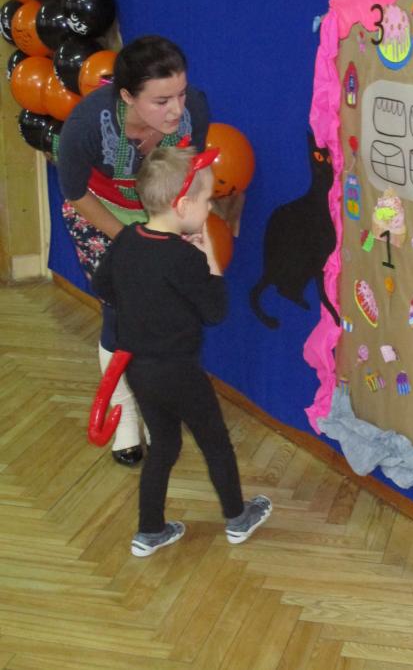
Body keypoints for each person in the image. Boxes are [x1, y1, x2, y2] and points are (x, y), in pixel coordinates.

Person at [92, 145, 272, 555]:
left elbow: (103, 287)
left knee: (165, 446)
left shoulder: (126, 240)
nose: (209, 208)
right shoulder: (185, 257)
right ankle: (238, 518)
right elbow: (215, 311)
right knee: (215, 442)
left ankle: (149, 531)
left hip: (139, 370)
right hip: (180, 372)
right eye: (206, 201)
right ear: (183, 205)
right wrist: (208, 256)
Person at [57, 35, 210, 466]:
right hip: (99, 212)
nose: (176, 109)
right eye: (161, 101)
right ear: (127, 96)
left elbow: (189, 172)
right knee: (120, 310)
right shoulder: (87, 124)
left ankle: (157, 408)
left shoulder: (195, 110)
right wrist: (127, 241)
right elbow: (74, 193)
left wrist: (183, 226)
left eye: (180, 94)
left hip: (157, 212)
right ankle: (125, 418)